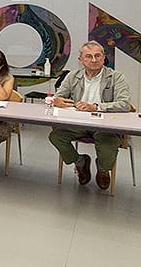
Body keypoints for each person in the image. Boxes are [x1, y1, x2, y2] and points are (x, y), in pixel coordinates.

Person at [49, 40, 131, 190]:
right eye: (88, 56)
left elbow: (124, 104)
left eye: (97, 56)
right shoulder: (72, 76)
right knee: (56, 136)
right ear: (81, 59)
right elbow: (58, 97)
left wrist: (95, 107)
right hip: (78, 123)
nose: (94, 60)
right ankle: (80, 162)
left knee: (108, 147)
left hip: (105, 125)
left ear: (104, 57)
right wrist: (58, 101)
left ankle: (102, 168)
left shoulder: (116, 77)